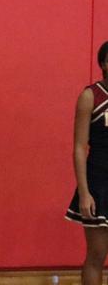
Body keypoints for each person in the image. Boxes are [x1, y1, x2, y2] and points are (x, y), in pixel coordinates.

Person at [66, 40, 108, 285]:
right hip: (99, 181)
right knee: (97, 254)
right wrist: (84, 192)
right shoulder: (91, 96)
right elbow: (79, 148)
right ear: (103, 63)